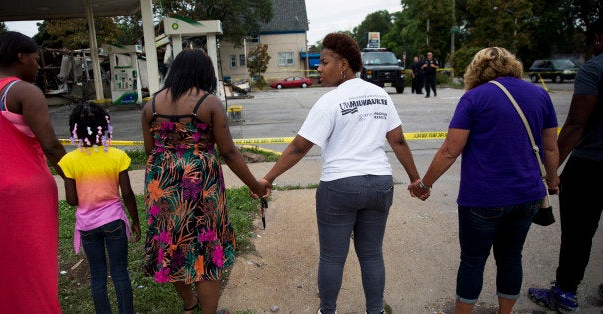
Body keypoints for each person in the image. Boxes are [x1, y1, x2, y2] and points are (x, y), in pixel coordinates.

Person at [258, 33, 422, 314]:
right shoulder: (380, 95)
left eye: (324, 62)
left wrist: (267, 178)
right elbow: (398, 141)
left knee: (333, 258)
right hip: (380, 185)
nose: (318, 69)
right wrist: (415, 180)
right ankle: (375, 310)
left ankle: (328, 311)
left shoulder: (330, 101)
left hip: (340, 187)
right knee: (371, 254)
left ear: (343, 64)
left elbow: (299, 147)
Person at [409, 47, 560, 314]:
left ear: (476, 70)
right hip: (527, 195)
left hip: (482, 198)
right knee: (511, 257)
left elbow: (450, 150)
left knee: (472, 261)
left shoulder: (474, 98)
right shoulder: (540, 95)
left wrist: (425, 184)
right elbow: (550, 147)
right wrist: (553, 180)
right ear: (513, 65)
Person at [141, 48, 265, 314]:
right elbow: (229, 153)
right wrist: (255, 185)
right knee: (204, 247)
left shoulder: (150, 105)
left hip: (161, 181)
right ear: (204, 73)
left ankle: (189, 305)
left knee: (171, 242)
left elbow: (149, 150)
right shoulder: (209, 104)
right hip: (199, 183)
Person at [0, 31, 66, 312]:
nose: (38, 67)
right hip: (26, 195)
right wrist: (76, 178)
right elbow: (50, 144)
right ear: (21, 56)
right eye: (36, 60)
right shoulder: (24, 91)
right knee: (33, 265)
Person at [528, 18, 603, 313]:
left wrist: (552, 171)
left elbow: (574, 125)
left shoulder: (594, 69)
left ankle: (565, 293)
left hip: (591, 165)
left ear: (598, 38)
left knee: (579, 233)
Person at [58, 102, 141, 314]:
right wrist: (135, 222)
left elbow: (72, 200)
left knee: (97, 275)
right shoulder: (117, 156)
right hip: (114, 222)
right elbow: (128, 194)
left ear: (74, 128)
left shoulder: (68, 161)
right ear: (105, 126)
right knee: (120, 272)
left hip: (87, 226)